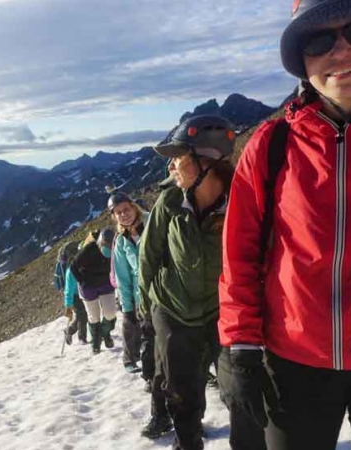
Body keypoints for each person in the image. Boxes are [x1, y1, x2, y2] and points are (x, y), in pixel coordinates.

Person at [219, 1, 351, 449]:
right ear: (302, 60)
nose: (340, 52)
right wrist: (240, 346)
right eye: (319, 40)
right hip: (293, 363)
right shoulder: (271, 144)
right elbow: (240, 255)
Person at [138, 114, 235, 450]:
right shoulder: (169, 202)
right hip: (172, 309)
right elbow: (147, 255)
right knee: (180, 388)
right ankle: (188, 441)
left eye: (177, 158)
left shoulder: (239, 202)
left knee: (233, 385)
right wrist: (145, 310)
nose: (170, 168)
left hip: (217, 310)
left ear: (206, 161)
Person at [108, 191, 147, 374]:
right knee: (136, 329)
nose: (124, 214)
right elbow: (123, 278)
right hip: (141, 297)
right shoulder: (121, 240)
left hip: (164, 292)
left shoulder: (152, 223)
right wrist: (128, 308)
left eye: (126, 209)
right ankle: (134, 362)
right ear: (114, 216)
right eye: (118, 212)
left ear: (133, 206)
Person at [70, 229, 118, 355]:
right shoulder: (89, 249)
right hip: (88, 287)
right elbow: (73, 266)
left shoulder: (117, 246)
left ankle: (105, 333)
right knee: (94, 316)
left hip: (106, 284)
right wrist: (81, 281)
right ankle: (95, 344)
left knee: (110, 313)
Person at [55, 241, 88, 345]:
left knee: (81, 315)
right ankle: (82, 338)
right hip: (75, 295)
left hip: (78, 294)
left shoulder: (73, 266)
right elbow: (68, 290)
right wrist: (68, 306)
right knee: (83, 315)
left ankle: (69, 331)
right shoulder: (72, 269)